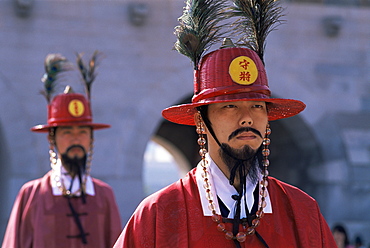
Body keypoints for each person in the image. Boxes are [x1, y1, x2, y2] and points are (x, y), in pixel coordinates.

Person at [114, 0, 336, 247]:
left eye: (257, 106)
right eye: (230, 106)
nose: (247, 118)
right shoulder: (158, 214)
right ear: (201, 119)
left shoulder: (301, 210)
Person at [2, 53, 122, 248]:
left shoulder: (104, 196)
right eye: (67, 131)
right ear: (53, 138)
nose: (75, 138)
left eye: (83, 131)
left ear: (91, 139)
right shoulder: (32, 195)